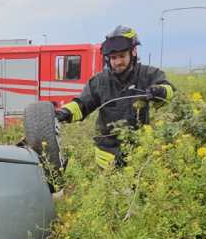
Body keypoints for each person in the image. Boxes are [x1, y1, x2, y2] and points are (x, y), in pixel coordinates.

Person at [54, 26, 176, 169]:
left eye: (122, 56)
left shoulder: (148, 74)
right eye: (113, 58)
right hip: (107, 156)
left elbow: (169, 90)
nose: (118, 62)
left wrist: (159, 91)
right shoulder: (100, 81)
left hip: (139, 153)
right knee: (111, 190)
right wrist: (64, 112)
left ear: (134, 52)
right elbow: (82, 104)